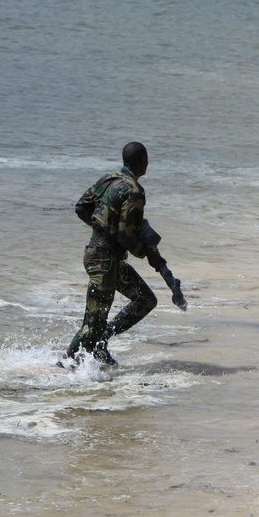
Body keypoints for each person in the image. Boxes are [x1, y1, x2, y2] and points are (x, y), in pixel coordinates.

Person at [62, 142, 165, 367]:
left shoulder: (107, 179)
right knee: (93, 323)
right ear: (143, 162)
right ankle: (65, 365)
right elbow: (125, 236)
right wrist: (148, 254)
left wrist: (102, 227)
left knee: (145, 300)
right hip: (104, 261)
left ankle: (101, 343)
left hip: (105, 258)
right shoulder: (134, 191)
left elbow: (81, 207)